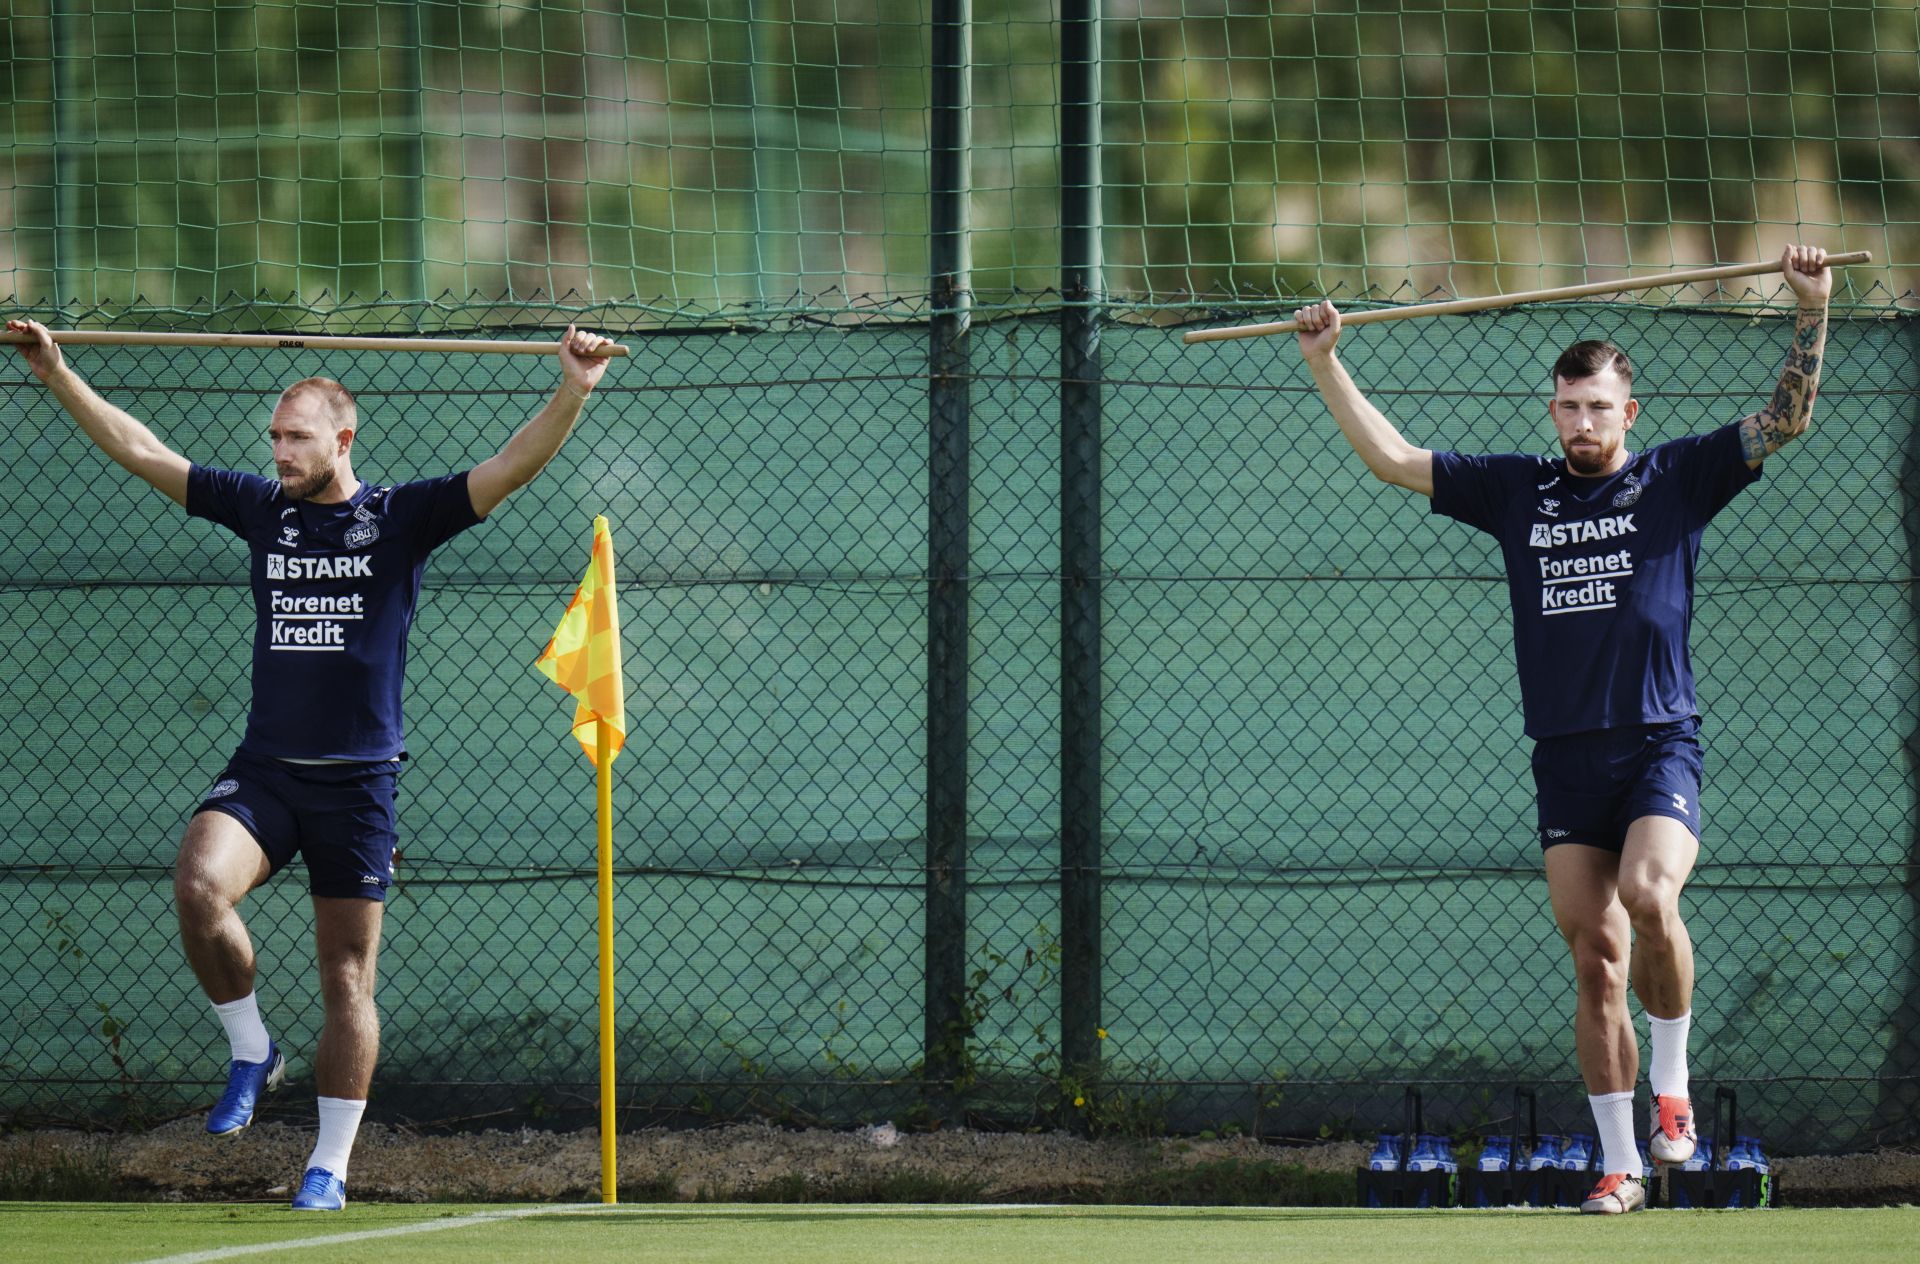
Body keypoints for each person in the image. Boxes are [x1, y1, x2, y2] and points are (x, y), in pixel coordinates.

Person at [7, 317, 616, 1211]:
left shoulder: (402, 517)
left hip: (360, 783)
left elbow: (513, 466)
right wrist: (55, 373)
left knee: (346, 980)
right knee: (198, 886)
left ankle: (327, 1167)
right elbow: (139, 449)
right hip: (267, 770)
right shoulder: (262, 509)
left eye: (296, 437)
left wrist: (571, 387)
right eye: (275, 438)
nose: (280, 452)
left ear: (343, 437)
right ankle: (252, 1047)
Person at [1290, 244, 1831, 1214]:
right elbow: (1393, 458)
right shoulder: (1519, 492)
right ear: (1554, 412)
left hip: (1660, 741)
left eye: (1600, 406)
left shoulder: (1678, 476)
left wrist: (1812, 307)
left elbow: (1786, 419)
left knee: (1649, 893)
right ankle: (1621, 1163)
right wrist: (1328, 362)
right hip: (1566, 760)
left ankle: (1673, 1087)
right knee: (1596, 959)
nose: (1583, 421)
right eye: (1568, 405)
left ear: (1631, 412)